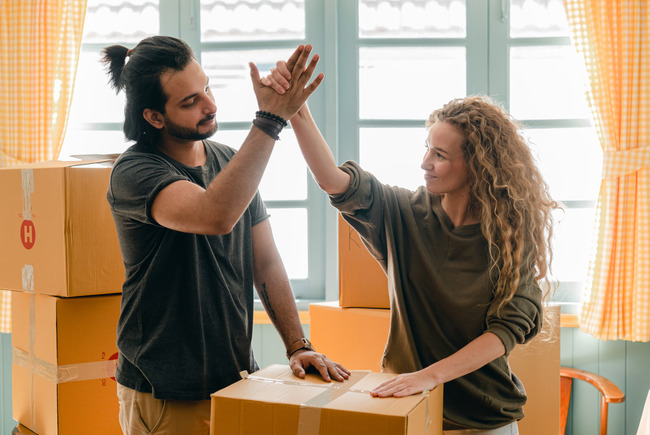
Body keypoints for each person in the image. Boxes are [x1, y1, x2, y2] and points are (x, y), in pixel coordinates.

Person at [263, 57, 558, 434]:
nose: (424, 163)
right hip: (409, 410)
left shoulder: (509, 237)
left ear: (479, 166)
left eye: (440, 155)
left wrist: (429, 376)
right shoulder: (403, 213)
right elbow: (334, 182)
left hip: (484, 420)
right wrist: (297, 110)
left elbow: (504, 332)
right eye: (427, 148)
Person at [102, 37, 349, 435]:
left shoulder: (230, 161)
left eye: (208, 87)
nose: (210, 105)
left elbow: (265, 261)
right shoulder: (135, 173)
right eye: (189, 102)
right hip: (166, 392)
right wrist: (270, 119)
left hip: (235, 380)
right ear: (154, 117)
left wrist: (298, 345)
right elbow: (214, 214)